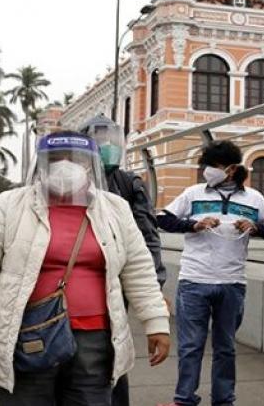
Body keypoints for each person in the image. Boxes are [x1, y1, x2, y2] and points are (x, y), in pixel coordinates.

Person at [0, 130, 171, 406]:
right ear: (41, 164)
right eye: (55, 158)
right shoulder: (9, 206)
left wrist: (156, 323)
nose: (65, 165)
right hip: (25, 335)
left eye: (75, 159)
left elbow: (138, 270)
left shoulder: (115, 209)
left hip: (95, 340)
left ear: (91, 165)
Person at [157, 140, 264, 406]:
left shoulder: (254, 198)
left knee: (226, 348)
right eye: (206, 165)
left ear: (232, 169)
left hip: (232, 283)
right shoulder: (193, 193)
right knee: (190, 347)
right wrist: (194, 224)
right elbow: (163, 219)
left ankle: (224, 400)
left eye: (213, 166)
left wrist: (255, 227)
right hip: (194, 281)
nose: (207, 171)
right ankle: (184, 399)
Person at [79, 114, 166, 406]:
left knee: (113, 349)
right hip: (76, 283)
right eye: (99, 141)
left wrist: (155, 286)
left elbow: (148, 235)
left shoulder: (129, 183)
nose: (107, 147)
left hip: (117, 279)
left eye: (111, 140)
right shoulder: (66, 182)